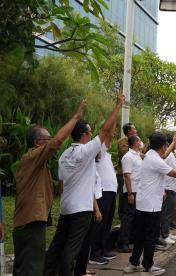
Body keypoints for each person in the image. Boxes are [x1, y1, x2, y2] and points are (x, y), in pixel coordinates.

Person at [44, 93, 124, 276]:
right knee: (72, 248)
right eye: (89, 132)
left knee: (58, 244)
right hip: (81, 209)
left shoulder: (64, 155)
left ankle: (49, 272)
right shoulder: (86, 152)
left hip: (66, 207)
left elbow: (61, 185)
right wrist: (118, 106)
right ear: (84, 135)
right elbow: (105, 131)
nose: (91, 134)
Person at [13, 100, 86, 276]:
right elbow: (58, 140)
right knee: (32, 268)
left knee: (24, 267)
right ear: (38, 143)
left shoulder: (31, 161)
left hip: (27, 222)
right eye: (46, 140)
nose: (50, 143)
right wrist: (76, 116)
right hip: (30, 223)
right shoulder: (32, 157)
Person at [123, 133, 176, 275]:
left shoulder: (150, 154)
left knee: (141, 235)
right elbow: (175, 173)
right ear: (163, 145)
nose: (167, 148)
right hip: (151, 204)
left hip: (143, 203)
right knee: (151, 236)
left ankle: (133, 263)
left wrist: (172, 142)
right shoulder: (155, 160)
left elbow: (164, 155)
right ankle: (147, 267)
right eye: (167, 145)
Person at [90, 128, 118, 263]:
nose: (110, 141)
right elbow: (106, 137)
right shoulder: (98, 152)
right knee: (100, 223)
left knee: (107, 223)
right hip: (102, 192)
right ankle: (95, 254)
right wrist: (109, 132)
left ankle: (103, 249)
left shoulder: (106, 155)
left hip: (110, 192)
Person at [117, 135, 143, 253]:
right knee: (127, 218)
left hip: (138, 190)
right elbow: (127, 175)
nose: (141, 143)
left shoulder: (137, 155)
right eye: (139, 141)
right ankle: (122, 243)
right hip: (131, 190)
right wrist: (129, 193)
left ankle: (130, 240)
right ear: (135, 143)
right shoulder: (128, 157)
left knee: (134, 217)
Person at [160, 134, 176, 245]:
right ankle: (164, 234)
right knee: (166, 213)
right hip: (168, 187)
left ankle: (167, 232)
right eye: (175, 143)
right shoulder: (166, 155)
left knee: (169, 212)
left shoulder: (172, 155)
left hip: (173, 187)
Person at [117, 123, 138, 219]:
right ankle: (122, 215)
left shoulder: (136, 141)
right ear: (129, 131)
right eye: (134, 128)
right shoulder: (122, 141)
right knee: (124, 195)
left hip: (132, 173)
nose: (136, 130)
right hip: (123, 172)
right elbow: (125, 153)